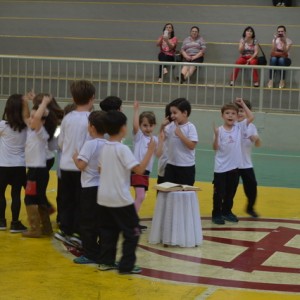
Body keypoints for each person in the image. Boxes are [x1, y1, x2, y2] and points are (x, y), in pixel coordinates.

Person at [97, 110, 155, 274]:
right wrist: (150, 150)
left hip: (103, 197)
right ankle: (126, 265)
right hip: (120, 199)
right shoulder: (122, 149)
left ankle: (106, 261)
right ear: (123, 128)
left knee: (109, 231)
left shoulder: (104, 147)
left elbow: (100, 169)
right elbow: (140, 170)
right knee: (133, 232)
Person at [54, 80, 95, 247]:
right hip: (81, 167)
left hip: (65, 165)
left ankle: (65, 230)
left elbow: (61, 143)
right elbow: (91, 144)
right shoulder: (91, 119)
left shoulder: (67, 117)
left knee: (66, 199)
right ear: (92, 98)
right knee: (81, 202)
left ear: (73, 97)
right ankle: (78, 233)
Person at [212, 98, 254, 225]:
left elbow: (251, 117)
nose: (230, 115)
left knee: (231, 192)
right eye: (227, 113)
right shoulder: (219, 130)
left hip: (234, 168)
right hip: (220, 168)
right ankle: (216, 214)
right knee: (219, 193)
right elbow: (215, 148)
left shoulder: (239, 127)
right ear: (222, 115)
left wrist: (242, 104)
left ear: (237, 116)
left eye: (233, 113)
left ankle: (227, 211)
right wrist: (216, 136)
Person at [72, 111, 107, 264]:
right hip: (103, 187)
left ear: (91, 127)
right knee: (101, 221)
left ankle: (90, 253)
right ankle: (102, 250)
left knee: (87, 222)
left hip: (89, 188)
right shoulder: (108, 143)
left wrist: (75, 158)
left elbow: (82, 165)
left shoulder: (90, 144)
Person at [22, 94, 54, 238]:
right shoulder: (31, 130)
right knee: (40, 198)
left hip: (37, 170)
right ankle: (46, 229)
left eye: (35, 117)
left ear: (41, 120)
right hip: (35, 169)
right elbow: (26, 116)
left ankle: (35, 229)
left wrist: (44, 103)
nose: (31, 118)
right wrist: (25, 102)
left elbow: (35, 118)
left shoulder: (41, 132)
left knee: (30, 198)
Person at [0, 93, 33, 233]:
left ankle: (1, 222)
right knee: (16, 195)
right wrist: (26, 104)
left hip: (2, 165)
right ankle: (15, 223)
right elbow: (27, 117)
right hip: (19, 166)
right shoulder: (26, 127)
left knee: (1, 194)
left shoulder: (2, 125)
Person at [132, 101, 162, 218]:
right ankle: (132, 221)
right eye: (145, 125)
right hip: (137, 170)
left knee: (139, 196)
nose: (148, 128)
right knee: (140, 196)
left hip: (146, 172)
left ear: (154, 125)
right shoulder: (138, 136)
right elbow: (134, 126)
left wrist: (162, 141)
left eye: (150, 125)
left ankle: (133, 219)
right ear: (140, 126)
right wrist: (136, 111)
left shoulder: (155, 139)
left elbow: (159, 154)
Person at [160, 98, 198, 185]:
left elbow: (192, 146)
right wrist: (162, 127)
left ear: (185, 113)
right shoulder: (170, 126)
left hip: (186, 167)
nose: (172, 115)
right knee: (169, 192)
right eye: (171, 113)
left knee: (184, 194)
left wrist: (180, 134)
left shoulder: (190, 127)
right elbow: (161, 138)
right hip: (171, 165)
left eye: (175, 113)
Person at [237, 100, 261, 218]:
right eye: (238, 111)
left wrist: (256, 138)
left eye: (242, 111)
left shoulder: (252, 127)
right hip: (233, 164)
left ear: (247, 112)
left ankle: (250, 208)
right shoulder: (233, 125)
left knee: (252, 187)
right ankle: (224, 209)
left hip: (246, 164)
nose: (240, 113)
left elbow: (258, 144)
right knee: (229, 189)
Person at [157, 103, 171, 184]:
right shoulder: (165, 127)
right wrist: (162, 126)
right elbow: (160, 137)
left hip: (172, 166)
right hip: (163, 166)